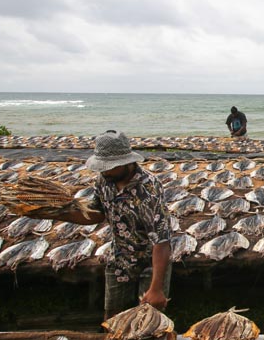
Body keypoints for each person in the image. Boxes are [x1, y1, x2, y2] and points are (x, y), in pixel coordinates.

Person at [42, 130, 172, 319]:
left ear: (127, 162)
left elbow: (162, 241)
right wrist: (57, 213)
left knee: (149, 321)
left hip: (150, 261)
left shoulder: (149, 189)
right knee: (113, 318)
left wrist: (156, 288)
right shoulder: (104, 181)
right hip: (119, 257)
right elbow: (96, 215)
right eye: (103, 167)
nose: (105, 171)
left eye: (111, 167)